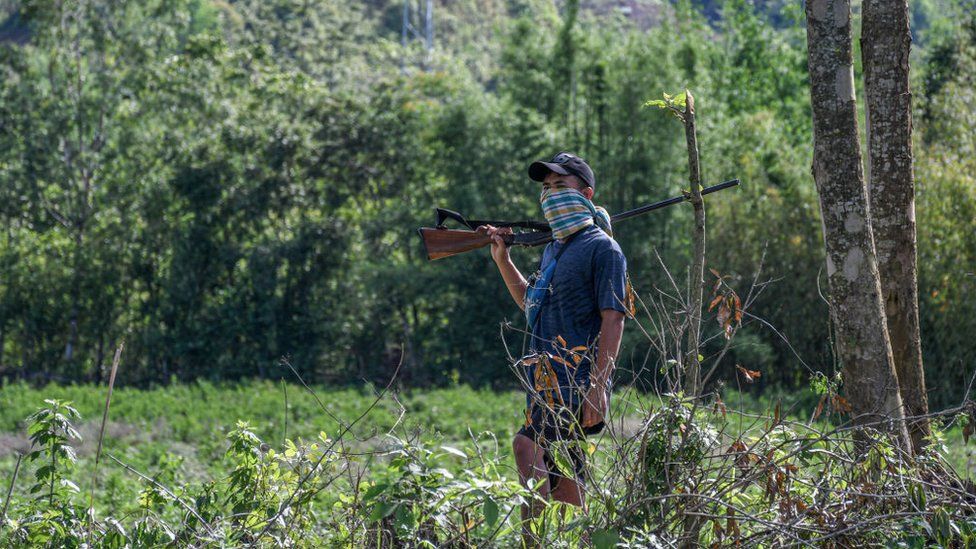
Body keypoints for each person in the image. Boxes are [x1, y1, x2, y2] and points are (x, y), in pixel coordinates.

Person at [478, 151, 629, 520]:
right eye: (546, 187)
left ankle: (534, 541)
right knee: (566, 479)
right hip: (543, 381)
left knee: (525, 446)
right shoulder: (553, 249)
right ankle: (579, 535)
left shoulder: (603, 248)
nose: (550, 194)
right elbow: (532, 306)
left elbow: (614, 320)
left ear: (587, 194)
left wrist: (598, 386)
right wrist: (503, 260)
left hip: (575, 378)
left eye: (561, 185)